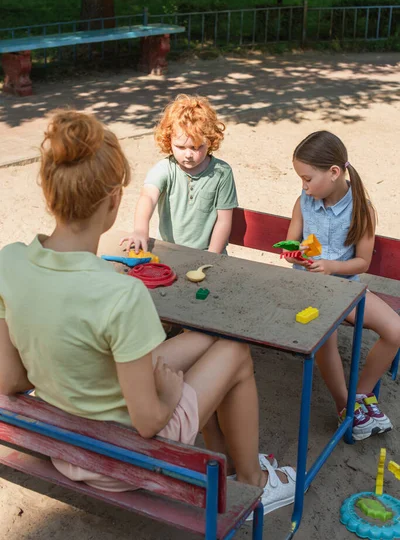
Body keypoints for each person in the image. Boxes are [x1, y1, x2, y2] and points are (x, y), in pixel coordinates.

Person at [0, 110, 296, 518]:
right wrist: (171, 395)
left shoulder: (9, 263)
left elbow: (10, 379)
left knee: (207, 338)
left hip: (63, 442)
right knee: (236, 353)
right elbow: (147, 423)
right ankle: (252, 482)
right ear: (113, 200)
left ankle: (225, 455)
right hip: (119, 461)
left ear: (49, 194)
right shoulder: (122, 294)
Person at [285, 130, 400, 441]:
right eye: (302, 180)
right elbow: (292, 242)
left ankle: (358, 398)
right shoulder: (304, 202)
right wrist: (291, 252)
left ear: (334, 172)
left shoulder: (361, 208)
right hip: (308, 288)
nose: (304, 186)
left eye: (308, 179)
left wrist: (332, 266)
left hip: (347, 286)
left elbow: (361, 262)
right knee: (327, 333)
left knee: (395, 329)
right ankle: (343, 407)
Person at [121, 94, 238, 254]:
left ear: (210, 141)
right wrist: (140, 230)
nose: (188, 154)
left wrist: (212, 255)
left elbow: (224, 220)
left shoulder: (222, 173)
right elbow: (147, 197)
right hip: (169, 251)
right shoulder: (165, 168)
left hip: (209, 253)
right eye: (181, 147)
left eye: (196, 147)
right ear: (169, 141)